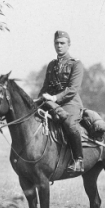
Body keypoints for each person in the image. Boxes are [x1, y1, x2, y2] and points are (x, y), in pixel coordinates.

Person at [38, 30, 85, 172]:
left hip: (70, 103)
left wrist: (55, 98)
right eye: (57, 43)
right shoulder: (51, 65)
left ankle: (78, 160)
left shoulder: (76, 64)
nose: (59, 46)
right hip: (52, 103)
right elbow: (45, 87)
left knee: (70, 124)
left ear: (68, 45)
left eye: (62, 43)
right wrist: (38, 99)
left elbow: (72, 89)